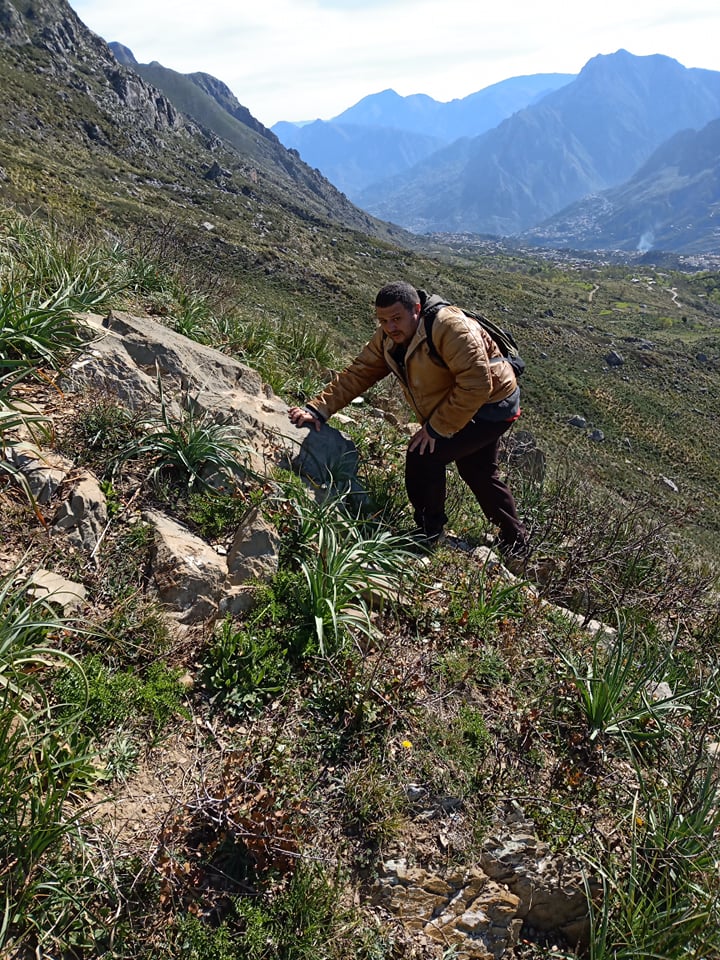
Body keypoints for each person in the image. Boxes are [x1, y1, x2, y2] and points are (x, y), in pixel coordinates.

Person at [288, 281, 529, 559]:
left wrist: (436, 429)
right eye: (383, 321)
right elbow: (361, 372)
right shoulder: (389, 338)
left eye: (396, 319)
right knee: (478, 471)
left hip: (492, 406)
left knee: (424, 454)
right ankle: (517, 543)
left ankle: (428, 533)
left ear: (416, 309)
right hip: (465, 401)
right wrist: (319, 409)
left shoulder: (450, 328)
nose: (390, 327)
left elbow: (476, 384)